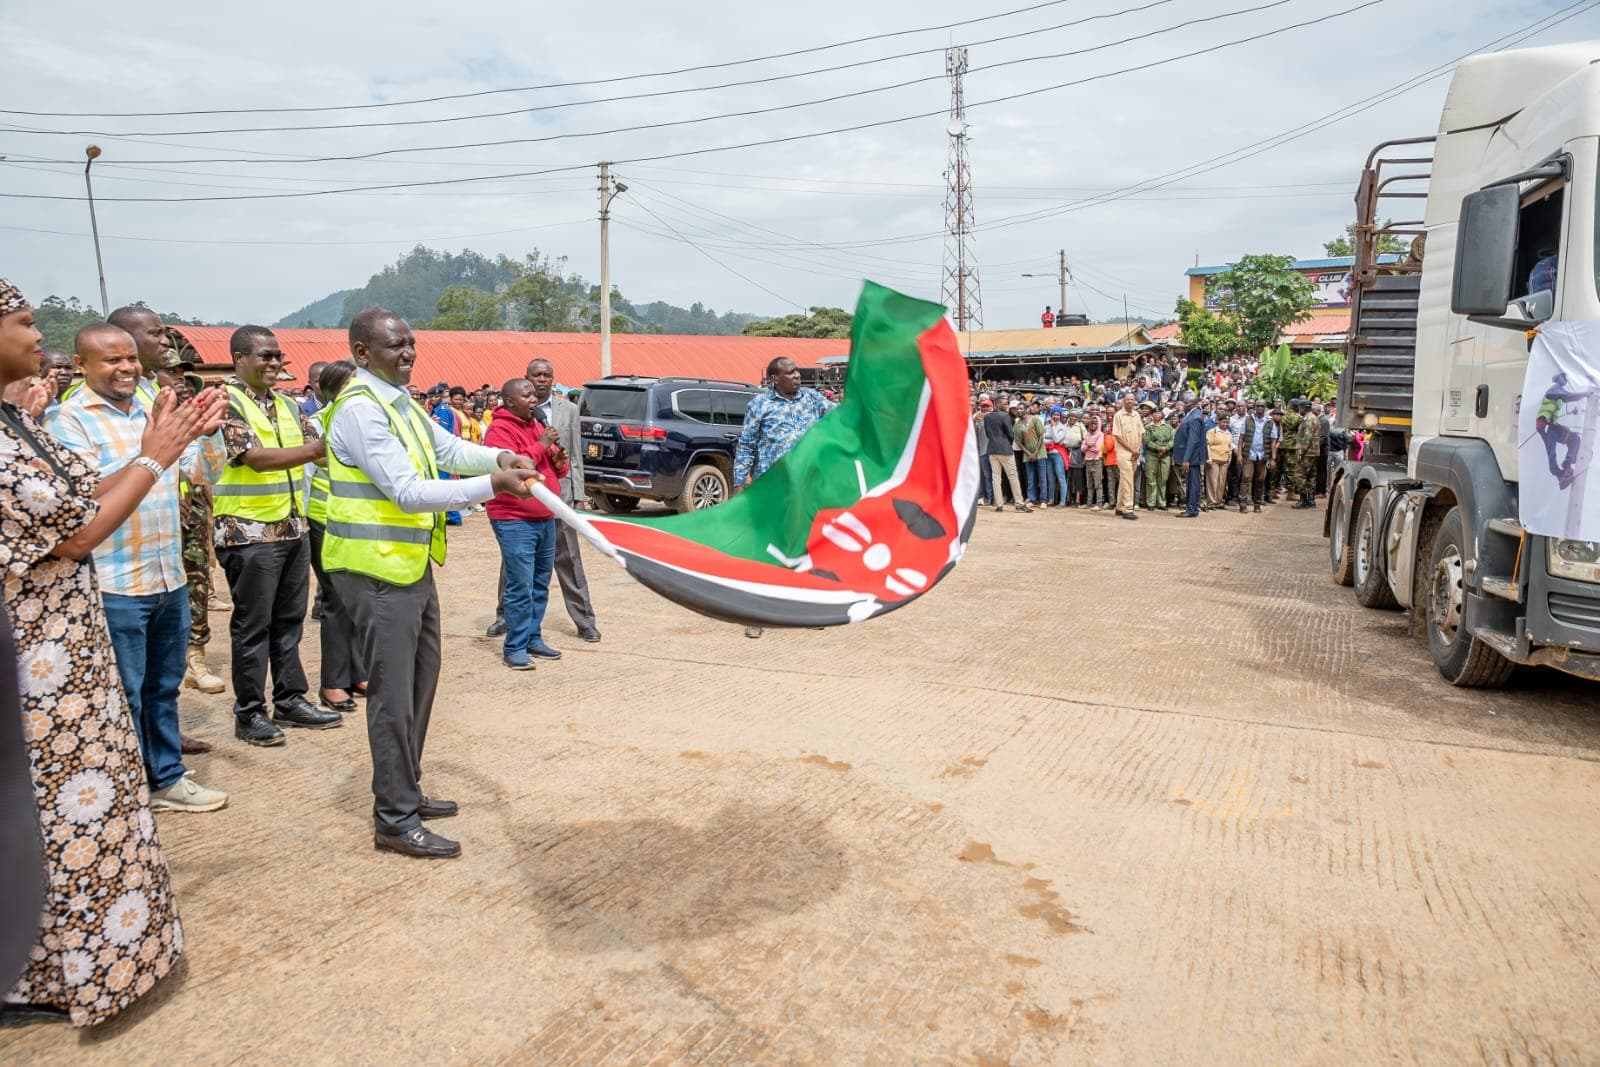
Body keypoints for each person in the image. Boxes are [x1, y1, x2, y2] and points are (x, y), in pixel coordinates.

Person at [0, 280, 223, 1026]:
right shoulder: (55, 420)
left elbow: (73, 503)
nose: (40, 337)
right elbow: (75, 531)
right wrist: (154, 456)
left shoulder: (18, 423)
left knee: (78, 804)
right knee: (56, 808)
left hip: (92, 625)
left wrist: (171, 449)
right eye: (26, 322)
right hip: (44, 654)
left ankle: (64, 967)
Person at [323, 308, 543, 859]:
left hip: (406, 564)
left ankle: (407, 788)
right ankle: (394, 820)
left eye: (411, 342)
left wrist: (497, 454)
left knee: (421, 680)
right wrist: (494, 484)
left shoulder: (401, 403)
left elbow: (446, 451)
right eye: (395, 345)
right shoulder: (360, 410)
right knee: (392, 696)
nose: (408, 353)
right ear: (361, 353)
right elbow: (407, 491)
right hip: (374, 569)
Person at [45, 323, 231, 813]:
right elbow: (79, 496)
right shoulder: (69, 420)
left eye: (130, 358)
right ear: (82, 365)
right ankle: (122, 792)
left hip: (166, 574)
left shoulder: (156, 406)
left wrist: (206, 436)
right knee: (120, 693)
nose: (126, 368)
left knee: (163, 687)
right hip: (114, 582)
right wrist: (149, 457)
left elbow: (200, 472)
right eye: (111, 360)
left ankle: (167, 779)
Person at [214, 326, 341, 747]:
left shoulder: (287, 405)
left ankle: (289, 698)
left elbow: (319, 450)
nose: (273, 363)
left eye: (277, 356)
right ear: (239, 360)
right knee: (253, 626)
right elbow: (254, 458)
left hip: (292, 527)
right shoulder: (225, 402)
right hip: (247, 533)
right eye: (264, 356)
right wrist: (317, 450)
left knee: (289, 621)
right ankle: (249, 712)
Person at [733, 356, 836, 636]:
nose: (797, 376)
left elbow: (841, 419)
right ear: (774, 378)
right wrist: (740, 482)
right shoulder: (760, 404)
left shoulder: (813, 400)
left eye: (797, 372)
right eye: (789, 373)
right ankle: (757, 614)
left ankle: (808, 610)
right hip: (772, 489)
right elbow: (746, 444)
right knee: (766, 549)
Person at [148, 349, 228, 704]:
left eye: (183, 372)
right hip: (151, 513)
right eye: (172, 372)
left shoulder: (191, 415)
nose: (180, 378)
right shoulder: (144, 414)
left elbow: (204, 469)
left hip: (190, 508)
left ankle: (195, 658)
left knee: (195, 582)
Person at [484, 379, 569, 669]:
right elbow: (518, 468)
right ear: (509, 401)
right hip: (514, 518)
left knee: (540, 583)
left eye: (535, 394)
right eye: (527, 395)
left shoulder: (535, 424)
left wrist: (558, 460)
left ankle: (533, 637)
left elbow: (554, 469)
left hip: (544, 516)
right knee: (520, 584)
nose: (534, 399)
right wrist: (541, 445)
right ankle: (515, 646)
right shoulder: (500, 429)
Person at [304, 361, 366, 712]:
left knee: (357, 599)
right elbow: (307, 476)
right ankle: (333, 681)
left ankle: (356, 671)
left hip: (357, 521)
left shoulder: (365, 421)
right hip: (325, 520)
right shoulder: (317, 424)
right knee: (335, 599)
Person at [1537, 371, 1587, 487]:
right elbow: (1569, 396)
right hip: (1544, 426)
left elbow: (1568, 398)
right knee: (1551, 452)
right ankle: (1560, 476)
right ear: (1559, 378)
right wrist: (1586, 394)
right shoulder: (1554, 389)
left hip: (1553, 426)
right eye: (1564, 377)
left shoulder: (1559, 391)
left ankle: (1567, 465)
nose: (1566, 379)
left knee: (1574, 439)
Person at [980, 398, 1027, 512]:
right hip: (1005, 449)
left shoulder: (987, 417)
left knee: (995, 478)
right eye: (1005, 403)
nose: (1007, 405)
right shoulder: (1005, 416)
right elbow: (1011, 434)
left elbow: (987, 433)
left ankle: (999, 504)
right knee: (1012, 476)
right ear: (998, 404)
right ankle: (1019, 503)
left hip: (991, 449)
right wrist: (1008, 444)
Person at [1235, 401, 1279, 513]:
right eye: (1258, 406)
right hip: (1249, 454)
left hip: (1263, 455)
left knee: (1260, 480)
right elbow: (1241, 438)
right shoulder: (1248, 419)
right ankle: (1243, 503)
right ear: (1255, 407)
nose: (1260, 408)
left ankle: (1257, 503)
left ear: (1265, 408)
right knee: (1246, 477)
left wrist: (1273, 458)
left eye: (1262, 406)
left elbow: (1273, 441)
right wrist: (1239, 454)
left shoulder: (1270, 422)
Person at [1172, 399, 1208, 518]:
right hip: (1190, 457)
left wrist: (1186, 459)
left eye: (1186, 403)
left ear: (1192, 404)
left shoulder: (1195, 417)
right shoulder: (1192, 415)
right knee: (1191, 482)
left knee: (1193, 483)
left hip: (1192, 458)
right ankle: (1191, 507)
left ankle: (1192, 509)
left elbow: (1193, 440)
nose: (1183, 405)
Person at [1111, 393, 1143, 520]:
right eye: (1127, 399)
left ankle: (1119, 507)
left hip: (1135, 451)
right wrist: (1132, 450)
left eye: (1132, 399)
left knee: (1125, 479)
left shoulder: (1137, 415)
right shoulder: (1118, 416)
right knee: (1128, 479)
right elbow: (1118, 436)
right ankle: (1128, 508)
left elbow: (1141, 433)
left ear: (1135, 401)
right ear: (1123, 401)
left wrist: (1137, 449)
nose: (1130, 401)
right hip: (1124, 452)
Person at [1142, 407, 1175, 510]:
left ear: (1162, 415)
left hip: (1165, 455)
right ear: (1152, 415)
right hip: (1152, 455)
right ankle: (1151, 502)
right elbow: (1147, 441)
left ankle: (1162, 502)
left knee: (1163, 479)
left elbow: (1172, 440)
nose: (1157, 415)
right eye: (1155, 413)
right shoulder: (1148, 427)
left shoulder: (1168, 427)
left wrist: (1166, 448)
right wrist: (1159, 448)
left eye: (1159, 413)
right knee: (1151, 479)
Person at [1015, 403, 1047, 506]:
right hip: (1027, 456)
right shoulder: (1017, 425)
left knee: (1042, 478)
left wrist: (1036, 452)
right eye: (1017, 409)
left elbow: (1041, 436)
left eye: (1021, 408)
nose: (1019, 410)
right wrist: (1029, 453)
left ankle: (1043, 500)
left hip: (1040, 453)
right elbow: (1019, 442)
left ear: (1026, 409)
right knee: (1031, 479)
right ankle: (1032, 499)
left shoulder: (1035, 419)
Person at [1205, 412, 1233, 510]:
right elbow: (1207, 445)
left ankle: (1219, 501)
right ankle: (1211, 502)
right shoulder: (1212, 431)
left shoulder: (1229, 433)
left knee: (1222, 482)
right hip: (1213, 459)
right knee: (1213, 481)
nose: (1225, 424)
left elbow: (1230, 447)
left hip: (1224, 460)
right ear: (1219, 422)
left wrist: (1229, 458)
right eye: (1223, 422)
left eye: (1227, 422)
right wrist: (1208, 458)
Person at [1083, 414, 1105, 509]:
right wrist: (1088, 445)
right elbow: (1082, 448)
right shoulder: (1087, 434)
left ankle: (1099, 504)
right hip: (1088, 460)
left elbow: (1097, 449)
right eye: (1092, 423)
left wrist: (1088, 445)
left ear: (1098, 424)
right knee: (1089, 484)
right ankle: (1089, 503)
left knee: (1098, 483)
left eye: (1095, 424)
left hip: (1097, 461)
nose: (1093, 425)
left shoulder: (1101, 434)